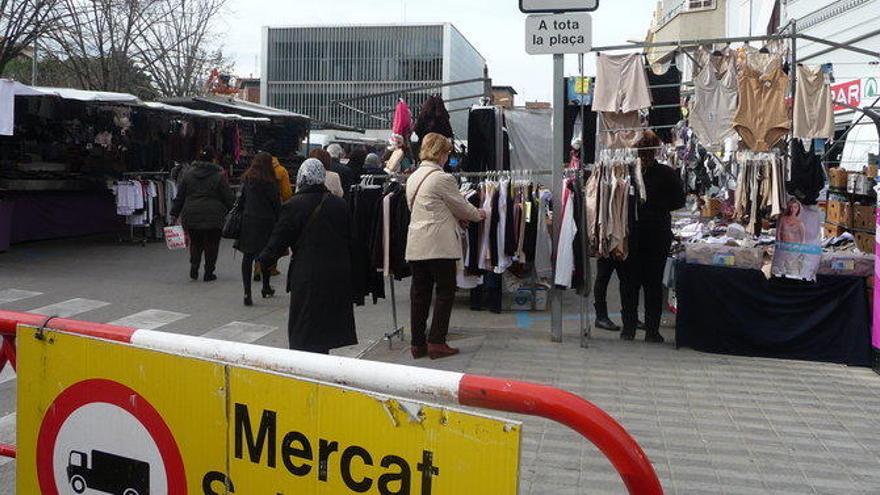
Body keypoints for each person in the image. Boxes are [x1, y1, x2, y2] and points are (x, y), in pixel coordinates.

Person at [258, 158, 357, 354]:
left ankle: (309, 372)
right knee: (326, 329)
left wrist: (264, 260)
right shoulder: (340, 205)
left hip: (307, 275)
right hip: (337, 274)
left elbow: (279, 239)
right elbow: (352, 241)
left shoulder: (294, 205)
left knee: (304, 330)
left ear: (302, 177)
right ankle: (323, 361)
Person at [406, 133, 486, 360]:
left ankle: (417, 344)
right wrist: (478, 214)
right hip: (439, 244)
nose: (447, 158)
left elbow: (426, 208)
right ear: (439, 153)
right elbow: (461, 206)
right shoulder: (442, 179)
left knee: (419, 295)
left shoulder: (413, 177)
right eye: (446, 153)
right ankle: (437, 342)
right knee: (445, 292)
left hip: (416, 243)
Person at [619, 131, 687, 342]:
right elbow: (679, 201)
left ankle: (629, 328)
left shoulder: (626, 172)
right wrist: (659, 207)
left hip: (631, 233)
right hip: (657, 233)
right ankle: (651, 330)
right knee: (653, 283)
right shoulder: (666, 173)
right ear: (655, 148)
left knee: (629, 282)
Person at [170, 146, 235, 282]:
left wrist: (174, 213)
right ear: (213, 159)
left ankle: (194, 266)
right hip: (214, 215)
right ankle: (208, 272)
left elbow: (180, 196)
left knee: (196, 242)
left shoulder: (188, 174)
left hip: (191, 213)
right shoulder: (219, 175)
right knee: (212, 244)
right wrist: (232, 210)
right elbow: (228, 197)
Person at [235, 152, 281, 306]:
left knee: (247, 257)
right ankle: (266, 286)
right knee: (266, 256)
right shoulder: (272, 182)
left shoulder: (247, 180)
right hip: (267, 223)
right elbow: (276, 205)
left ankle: (247, 292)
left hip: (249, 221)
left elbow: (241, 201)